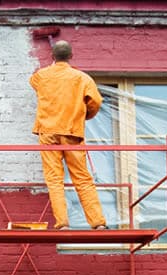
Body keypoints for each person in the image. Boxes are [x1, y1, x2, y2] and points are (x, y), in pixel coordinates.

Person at [29, 40, 107, 230]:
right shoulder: (82, 78)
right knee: (82, 178)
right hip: (72, 131)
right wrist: (84, 115)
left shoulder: (41, 76)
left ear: (52, 57)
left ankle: (62, 222)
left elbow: (34, 82)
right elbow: (95, 102)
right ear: (71, 56)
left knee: (54, 179)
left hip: (48, 132)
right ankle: (97, 222)